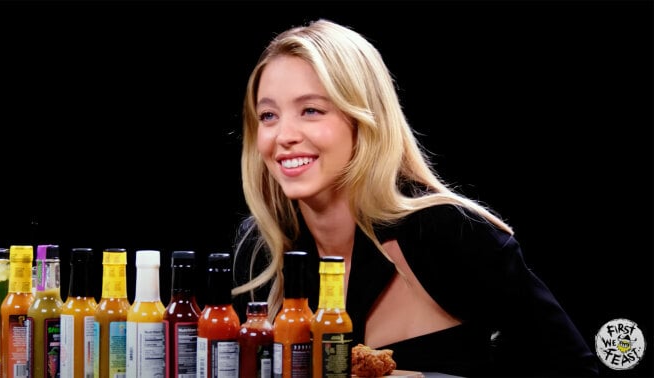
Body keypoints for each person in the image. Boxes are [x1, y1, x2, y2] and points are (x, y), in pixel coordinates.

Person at [231, 18, 599, 377]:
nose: (284, 135)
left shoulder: (448, 231)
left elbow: (575, 368)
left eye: (311, 110)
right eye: (268, 115)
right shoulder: (261, 249)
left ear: (366, 119)